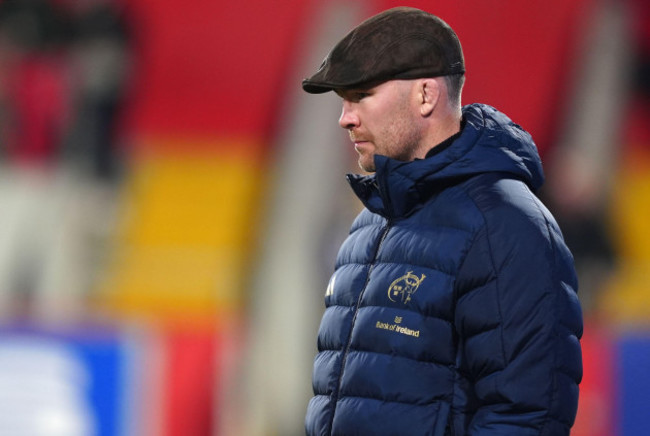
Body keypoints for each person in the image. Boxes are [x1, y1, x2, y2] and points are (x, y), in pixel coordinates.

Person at [301, 7, 583, 436]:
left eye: (360, 95)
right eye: (344, 100)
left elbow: (526, 418)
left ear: (426, 96)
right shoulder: (368, 227)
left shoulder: (505, 226)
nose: (346, 117)